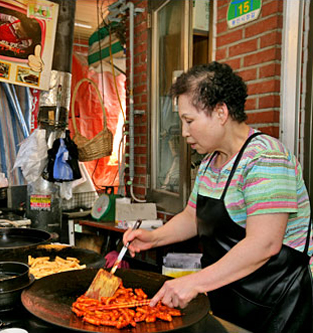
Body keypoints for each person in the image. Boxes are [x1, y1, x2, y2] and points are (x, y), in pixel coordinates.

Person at [123, 61, 313, 332]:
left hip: (278, 305)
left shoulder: (266, 158)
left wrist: (193, 282)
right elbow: (192, 216)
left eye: (189, 121)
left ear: (221, 112)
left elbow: (265, 244)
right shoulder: (210, 163)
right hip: (230, 297)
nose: (185, 132)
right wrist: (153, 238)